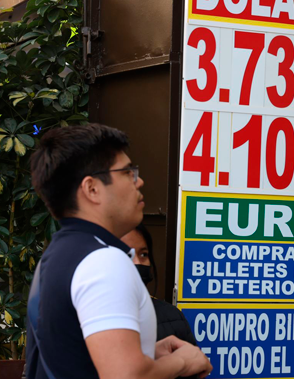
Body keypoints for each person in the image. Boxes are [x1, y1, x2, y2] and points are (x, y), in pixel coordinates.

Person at [25, 124, 212, 379]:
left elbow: (74, 356)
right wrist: (182, 361)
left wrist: (148, 352)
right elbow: (125, 375)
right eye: (127, 172)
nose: (139, 181)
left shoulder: (60, 254)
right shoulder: (103, 261)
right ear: (92, 189)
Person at [121, 224, 196, 345]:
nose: (138, 262)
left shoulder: (172, 316)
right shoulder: (91, 316)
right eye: (128, 255)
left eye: (143, 254)